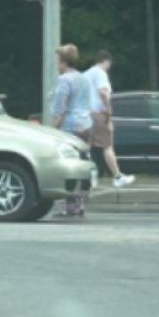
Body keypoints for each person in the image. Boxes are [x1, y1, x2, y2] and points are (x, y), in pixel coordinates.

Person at [51, 44, 93, 217]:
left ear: (64, 62)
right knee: (82, 164)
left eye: (58, 62)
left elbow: (60, 107)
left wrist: (53, 129)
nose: (56, 65)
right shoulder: (83, 78)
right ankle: (80, 203)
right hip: (86, 124)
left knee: (69, 165)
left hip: (70, 125)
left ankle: (72, 206)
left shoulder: (64, 80)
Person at [84, 50, 135, 188]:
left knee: (87, 147)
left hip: (86, 114)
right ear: (107, 61)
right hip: (99, 114)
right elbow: (103, 92)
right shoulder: (100, 73)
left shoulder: (86, 74)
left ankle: (86, 176)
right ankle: (117, 176)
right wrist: (108, 110)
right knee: (107, 146)